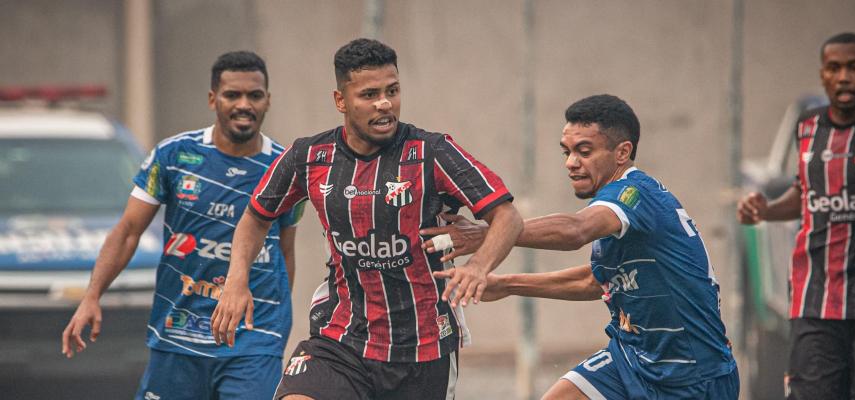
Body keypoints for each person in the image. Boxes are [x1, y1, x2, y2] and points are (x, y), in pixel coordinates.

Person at [210, 38, 523, 400]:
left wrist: (479, 267)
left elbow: (507, 216)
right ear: (341, 100)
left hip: (422, 348)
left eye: (392, 90)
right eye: (370, 94)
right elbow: (256, 217)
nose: (385, 103)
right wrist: (237, 281)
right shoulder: (309, 156)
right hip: (341, 339)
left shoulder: (432, 152)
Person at [423, 94, 739, 399]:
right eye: (567, 152)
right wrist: (506, 284)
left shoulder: (634, 193)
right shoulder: (614, 213)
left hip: (694, 374)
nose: (571, 163)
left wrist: (489, 235)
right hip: (630, 358)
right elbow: (595, 281)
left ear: (622, 152)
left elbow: (575, 231)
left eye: (584, 151)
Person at [61, 51, 303, 400]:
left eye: (254, 95)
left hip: (252, 341)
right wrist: (92, 296)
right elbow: (128, 232)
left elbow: (285, 251)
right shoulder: (173, 156)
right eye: (232, 95)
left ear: (267, 100)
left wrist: (273, 327)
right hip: (178, 333)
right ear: (213, 99)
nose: (244, 105)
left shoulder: (285, 167)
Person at [736, 32, 855, 399]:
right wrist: (766, 210)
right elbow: (805, 191)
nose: (844, 77)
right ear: (823, 74)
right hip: (814, 295)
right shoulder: (808, 126)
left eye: (854, 67)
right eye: (834, 68)